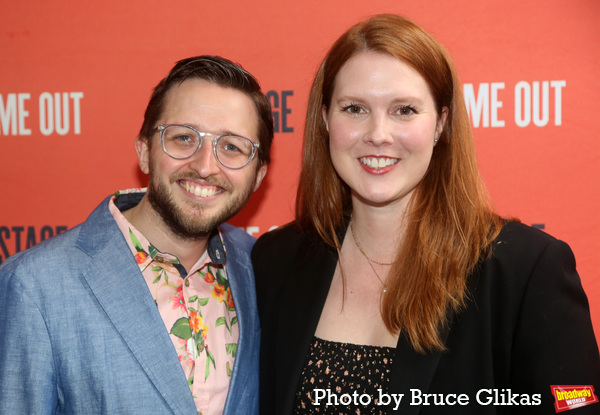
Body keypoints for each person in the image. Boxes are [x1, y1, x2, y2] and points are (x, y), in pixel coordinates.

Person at [252, 14, 600, 414]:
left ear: (441, 123)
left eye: (404, 110)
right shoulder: (276, 261)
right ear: (326, 119)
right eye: (354, 108)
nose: (378, 133)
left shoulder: (524, 271)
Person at [0, 55, 273, 415]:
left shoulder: (263, 266)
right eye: (183, 138)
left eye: (232, 147)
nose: (206, 166)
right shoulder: (34, 285)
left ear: (258, 175)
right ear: (144, 152)